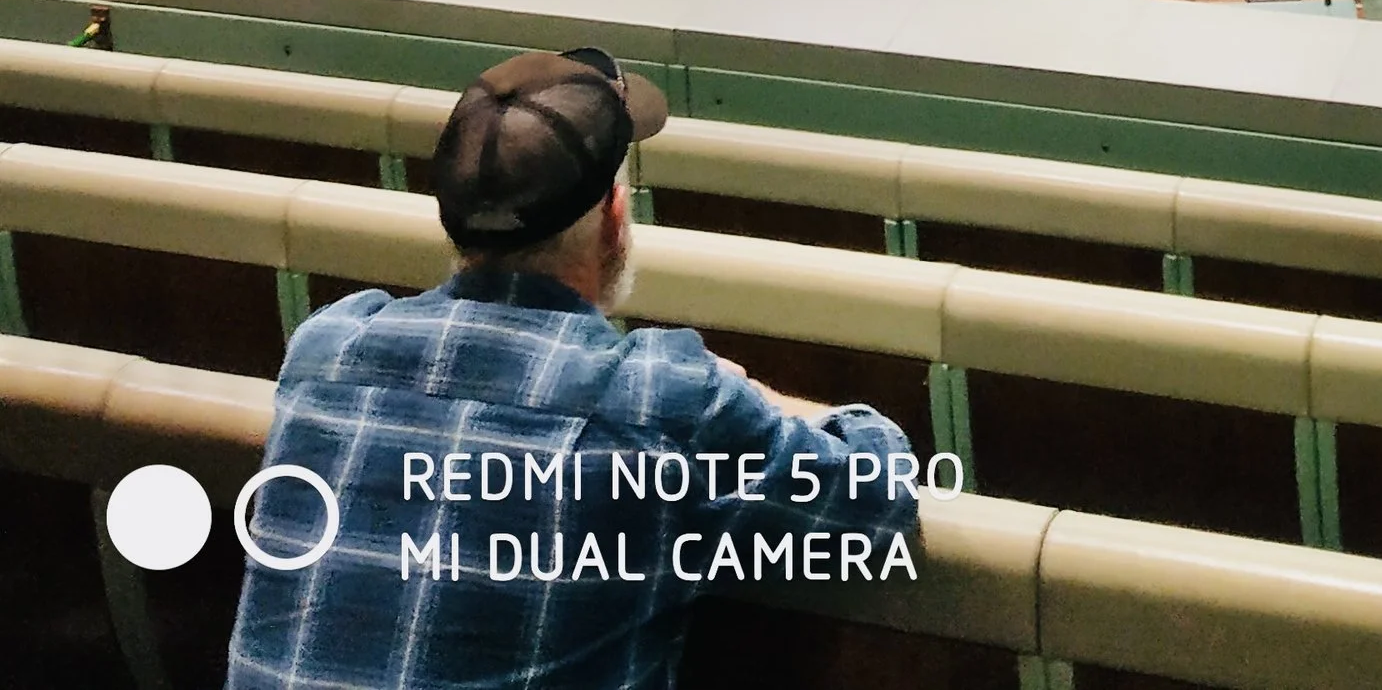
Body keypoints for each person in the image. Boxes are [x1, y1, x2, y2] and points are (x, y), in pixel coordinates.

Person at [226, 44, 920, 690]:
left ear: (453, 221)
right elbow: (879, 487)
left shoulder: (328, 347)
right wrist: (761, 396)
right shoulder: (659, 397)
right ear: (615, 219)